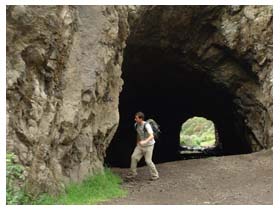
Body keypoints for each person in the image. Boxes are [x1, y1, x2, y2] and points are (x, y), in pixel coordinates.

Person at [126, 112, 159, 181]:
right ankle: (133, 173)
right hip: (140, 145)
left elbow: (151, 136)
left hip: (149, 145)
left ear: (141, 119)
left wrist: (145, 141)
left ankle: (155, 175)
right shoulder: (136, 125)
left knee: (148, 161)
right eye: (135, 118)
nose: (135, 119)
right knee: (134, 157)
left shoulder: (146, 125)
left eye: (136, 118)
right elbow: (138, 134)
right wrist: (137, 142)